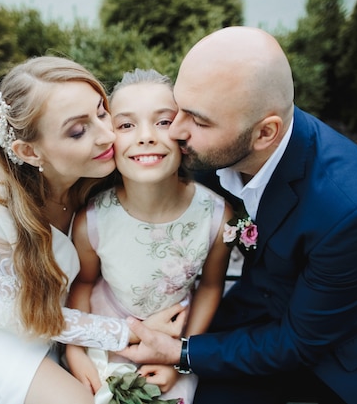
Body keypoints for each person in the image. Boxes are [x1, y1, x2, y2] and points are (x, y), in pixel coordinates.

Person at [118, 27, 357, 404]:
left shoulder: (355, 208)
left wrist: (181, 353)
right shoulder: (216, 146)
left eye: (199, 121)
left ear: (265, 133)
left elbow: (300, 342)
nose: (176, 130)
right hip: (258, 318)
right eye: (178, 107)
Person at [0, 56, 185, 404]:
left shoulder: (100, 170)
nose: (107, 136)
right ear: (28, 151)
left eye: (102, 112)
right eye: (77, 131)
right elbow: (25, 316)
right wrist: (132, 334)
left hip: (59, 320)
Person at [64, 68, 233, 404]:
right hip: (105, 333)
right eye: (126, 125)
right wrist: (75, 351)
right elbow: (82, 284)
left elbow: (211, 286)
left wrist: (182, 357)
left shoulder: (216, 216)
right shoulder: (93, 220)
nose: (146, 137)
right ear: (109, 138)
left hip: (176, 334)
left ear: (184, 132)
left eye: (163, 121)